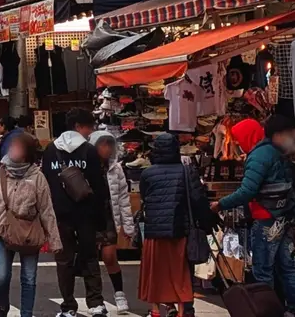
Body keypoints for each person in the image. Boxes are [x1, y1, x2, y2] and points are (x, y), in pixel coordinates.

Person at [212, 117, 295, 317]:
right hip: (282, 218)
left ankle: (267, 312)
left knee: (263, 271)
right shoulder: (275, 152)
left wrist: (220, 204)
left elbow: (247, 191)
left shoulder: (259, 156)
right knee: (287, 268)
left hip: (267, 218)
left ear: (248, 137)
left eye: (240, 140)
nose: (239, 145)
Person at [0, 133, 63, 317]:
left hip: (29, 231)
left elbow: (47, 211)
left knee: (29, 278)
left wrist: (55, 240)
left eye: (18, 147)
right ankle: (3, 305)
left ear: (27, 153)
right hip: (2, 229)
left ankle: (26, 314)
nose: (13, 150)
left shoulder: (38, 177)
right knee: (1, 275)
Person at [41, 108, 111, 317]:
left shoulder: (51, 150)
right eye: (89, 127)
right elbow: (98, 186)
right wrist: (101, 217)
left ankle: (68, 305)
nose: (90, 132)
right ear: (79, 126)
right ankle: (96, 303)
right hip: (85, 213)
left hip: (59, 214)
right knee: (90, 257)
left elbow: (45, 183)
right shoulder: (89, 151)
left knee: (64, 260)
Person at [137, 132, 212, 317]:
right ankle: (180, 311)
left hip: (154, 232)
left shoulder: (147, 173)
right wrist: (208, 220)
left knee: (156, 273)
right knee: (179, 274)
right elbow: (197, 198)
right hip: (179, 230)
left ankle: (155, 310)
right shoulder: (186, 171)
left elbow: (145, 197)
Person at [91, 131, 138, 314]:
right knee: (91, 261)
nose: (107, 148)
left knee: (110, 257)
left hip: (109, 217)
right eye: (102, 144)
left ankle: (119, 294)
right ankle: (96, 300)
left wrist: (128, 226)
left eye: (109, 144)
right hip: (91, 217)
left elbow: (123, 199)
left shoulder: (116, 168)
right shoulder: (87, 166)